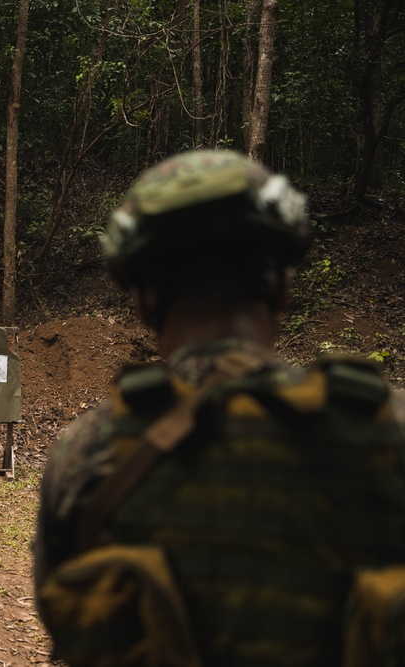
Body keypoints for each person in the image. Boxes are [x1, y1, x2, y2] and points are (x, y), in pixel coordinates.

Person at [34, 149, 405, 667]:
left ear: (142, 298)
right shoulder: (386, 433)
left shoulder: (89, 452)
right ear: (281, 286)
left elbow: (66, 627)